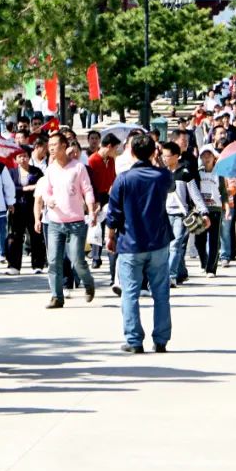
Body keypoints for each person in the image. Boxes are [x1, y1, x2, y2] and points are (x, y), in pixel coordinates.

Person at [107, 134, 174, 353]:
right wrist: (160, 161)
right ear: (154, 152)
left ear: (132, 152)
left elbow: (114, 212)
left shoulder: (124, 179)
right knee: (161, 293)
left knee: (130, 293)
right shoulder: (161, 176)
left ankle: (134, 340)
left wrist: (110, 236)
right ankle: (161, 339)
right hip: (158, 242)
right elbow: (171, 183)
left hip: (130, 243)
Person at [35, 133, 96, 309]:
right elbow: (44, 191)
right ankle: (56, 296)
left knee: (77, 259)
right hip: (54, 222)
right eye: (50, 145)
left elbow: (87, 189)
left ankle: (88, 282)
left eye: (55, 144)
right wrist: (48, 200)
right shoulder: (50, 169)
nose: (51, 148)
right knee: (53, 260)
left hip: (76, 221)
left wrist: (91, 210)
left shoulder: (78, 168)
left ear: (64, 146)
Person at [161, 142, 208, 287]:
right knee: (167, 247)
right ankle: (181, 272)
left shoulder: (185, 174)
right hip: (164, 214)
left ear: (176, 156)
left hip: (181, 215)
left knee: (175, 245)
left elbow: (195, 194)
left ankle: (171, 276)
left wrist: (204, 212)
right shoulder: (162, 174)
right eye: (163, 155)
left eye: (167, 156)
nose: (164, 158)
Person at [5, 148, 44, 276]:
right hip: (16, 208)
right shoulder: (11, 172)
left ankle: (38, 264)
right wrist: (24, 188)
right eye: (20, 156)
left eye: (25, 156)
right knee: (15, 237)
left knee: (36, 236)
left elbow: (42, 185)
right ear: (16, 159)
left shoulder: (36, 171)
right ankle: (14, 266)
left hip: (33, 207)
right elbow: (9, 187)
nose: (23, 159)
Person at [86, 134, 120, 271]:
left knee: (108, 224)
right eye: (115, 148)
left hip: (108, 195)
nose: (116, 151)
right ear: (109, 146)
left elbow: (113, 177)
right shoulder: (93, 160)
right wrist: (95, 200)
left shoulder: (111, 160)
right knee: (97, 226)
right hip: (96, 195)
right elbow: (90, 182)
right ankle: (95, 256)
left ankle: (110, 251)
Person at [194, 146, 225, 278]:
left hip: (215, 208)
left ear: (214, 157)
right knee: (199, 240)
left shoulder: (219, 173)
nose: (206, 158)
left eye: (209, 155)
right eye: (204, 156)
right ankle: (204, 262)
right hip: (201, 209)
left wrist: (227, 207)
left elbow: (223, 191)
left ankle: (211, 269)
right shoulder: (197, 173)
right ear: (200, 158)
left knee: (214, 240)